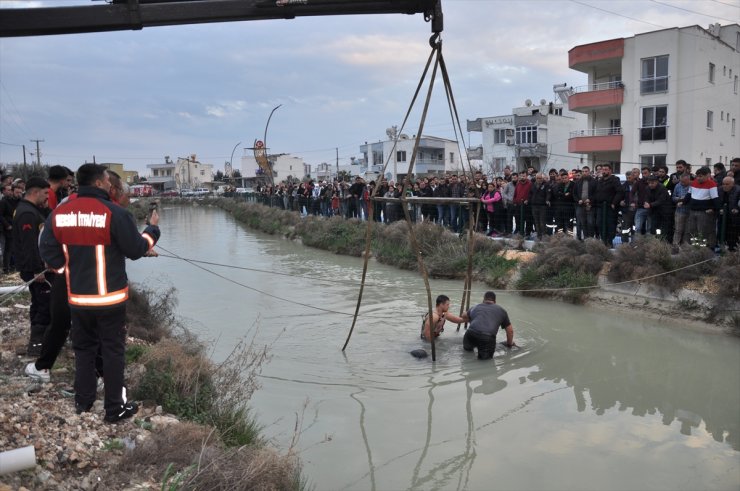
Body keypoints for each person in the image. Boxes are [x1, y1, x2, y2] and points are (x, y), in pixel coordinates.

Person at [39, 163, 161, 423]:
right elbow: (136, 249)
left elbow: (47, 248)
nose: (109, 185)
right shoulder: (114, 213)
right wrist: (152, 231)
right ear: (97, 183)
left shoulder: (61, 212)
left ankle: (83, 403)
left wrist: (65, 269)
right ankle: (114, 408)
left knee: (83, 349)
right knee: (113, 351)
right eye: (107, 181)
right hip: (110, 299)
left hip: (78, 299)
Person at [13, 177, 52, 356]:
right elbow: (29, 245)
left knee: (38, 302)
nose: (47, 197)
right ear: (35, 192)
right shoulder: (27, 213)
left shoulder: (31, 210)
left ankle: (41, 341)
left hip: (35, 267)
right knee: (44, 304)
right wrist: (37, 270)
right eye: (45, 193)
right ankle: (37, 345)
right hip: (35, 269)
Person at [461, 291, 515, 360]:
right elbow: (510, 331)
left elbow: (463, 315)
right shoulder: (501, 311)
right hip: (487, 338)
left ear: (483, 300)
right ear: (495, 301)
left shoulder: (475, 307)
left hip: (470, 334)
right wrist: (509, 345)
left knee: (466, 356)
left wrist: (472, 319)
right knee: (484, 363)